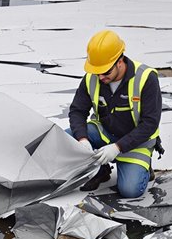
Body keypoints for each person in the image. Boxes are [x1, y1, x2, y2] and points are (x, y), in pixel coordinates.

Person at [68, 30, 162, 198]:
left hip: (136, 142)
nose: (101, 76)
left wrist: (118, 147)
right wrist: (82, 139)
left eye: (105, 72)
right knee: (66, 138)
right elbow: (77, 111)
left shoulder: (146, 78)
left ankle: (144, 168)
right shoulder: (93, 77)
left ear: (120, 61)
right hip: (104, 133)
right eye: (98, 72)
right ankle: (101, 168)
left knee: (130, 191)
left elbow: (150, 123)